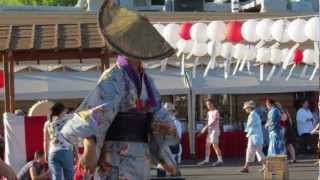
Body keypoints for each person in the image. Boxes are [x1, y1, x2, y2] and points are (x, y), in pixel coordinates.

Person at [59, 1, 180, 179]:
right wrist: (90, 145)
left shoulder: (148, 82)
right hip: (114, 158)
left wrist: (167, 138)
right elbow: (96, 114)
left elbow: (158, 116)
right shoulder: (113, 77)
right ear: (125, 41)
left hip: (140, 158)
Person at [43, 102, 74, 180]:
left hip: (52, 153)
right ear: (61, 111)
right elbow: (72, 138)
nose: (65, 112)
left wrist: (46, 154)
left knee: (56, 177)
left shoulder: (47, 123)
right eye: (64, 111)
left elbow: (45, 141)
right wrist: (76, 153)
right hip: (65, 151)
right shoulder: (67, 121)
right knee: (69, 176)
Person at [240, 100, 265, 173]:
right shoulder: (254, 114)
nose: (245, 109)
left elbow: (249, 126)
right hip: (255, 136)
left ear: (249, 108)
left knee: (252, 151)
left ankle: (246, 167)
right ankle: (247, 167)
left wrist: (245, 130)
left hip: (254, 137)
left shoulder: (252, 115)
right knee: (258, 152)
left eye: (246, 108)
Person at [198, 98, 223, 167]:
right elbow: (208, 122)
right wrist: (203, 129)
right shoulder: (208, 112)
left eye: (209, 104)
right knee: (207, 145)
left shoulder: (216, 112)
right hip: (209, 131)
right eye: (207, 104)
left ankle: (220, 160)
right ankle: (206, 160)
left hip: (215, 131)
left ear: (212, 104)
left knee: (215, 145)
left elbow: (213, 121)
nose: (208, 106)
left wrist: (205, 128)